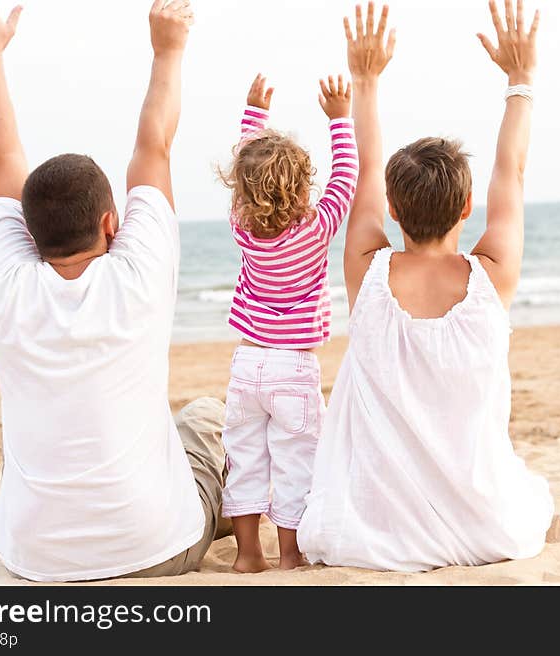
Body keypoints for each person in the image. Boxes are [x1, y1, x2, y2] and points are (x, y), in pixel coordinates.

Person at [0, 0, 229, 582]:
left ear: (25, 234)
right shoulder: (139, 275)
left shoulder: (5, 284)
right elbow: (154, 147)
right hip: (160, 551)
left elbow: (0, 156)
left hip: (36, 561)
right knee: (205, 418)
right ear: (111, 223)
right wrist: (169, 48)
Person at [297, 1, 555, 571]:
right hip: (490, 529)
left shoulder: (368, 271)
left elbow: (365, 170)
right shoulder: (492, 276)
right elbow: (511, 172)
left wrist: (365, 80)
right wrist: (521, 80)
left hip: (370, 533)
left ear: (391, 210)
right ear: (467, 207)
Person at [216, 71, 358, 571]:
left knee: (246, 458)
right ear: (302, 189)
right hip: (293, 369)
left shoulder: (243, 229)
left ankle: (248, 554)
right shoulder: (318, 228)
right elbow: (346, 177)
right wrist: (340, 119)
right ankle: (289, 554)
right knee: (295, 463)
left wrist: (253, 113)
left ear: (243, 195)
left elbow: (244, 171)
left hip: (247, 364)